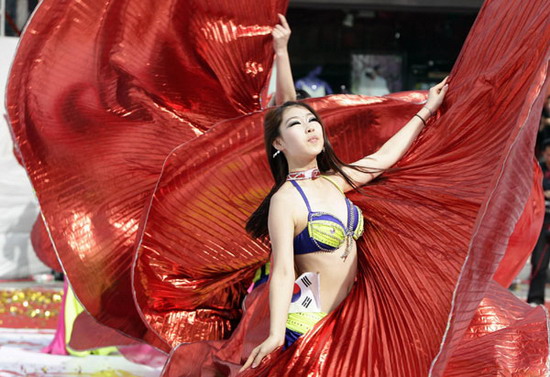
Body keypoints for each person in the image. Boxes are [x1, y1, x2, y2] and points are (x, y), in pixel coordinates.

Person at [239, 44, 448, 369]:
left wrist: (426, 110)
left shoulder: (335, 181)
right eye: (296, 124)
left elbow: (382, 158)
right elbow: (283, 270)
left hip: (352, 323)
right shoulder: (285, 200)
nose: (310, 127)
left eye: (312, 121)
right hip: (308, 331)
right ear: (278, 143)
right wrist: (276, 334)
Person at [527, 138, 550, 305]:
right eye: (549, 154)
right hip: (542, 220)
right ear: (543, 154)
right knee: (539, 261)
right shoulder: (538, 171)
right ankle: (535, 298)